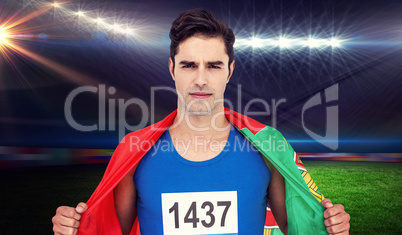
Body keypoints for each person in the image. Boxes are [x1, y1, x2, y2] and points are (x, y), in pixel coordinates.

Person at [52, 8, 350, 235]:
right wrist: (73, 226)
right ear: (172, 68)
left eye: (213, 65)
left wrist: (332, 224)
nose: (201, 79)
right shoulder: (135, 151)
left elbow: (302, 226)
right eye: (189, 65)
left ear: (230, 70)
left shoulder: (268, 146)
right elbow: (105, 229)